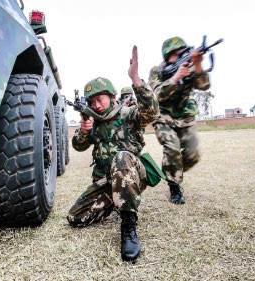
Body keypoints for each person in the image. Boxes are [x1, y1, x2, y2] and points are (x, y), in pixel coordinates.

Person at [67, 46, 159, 262]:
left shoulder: (128, 114)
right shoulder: (94, 122)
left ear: (112, 96)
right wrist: (84, 131)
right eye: (92, 102)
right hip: (107, 181)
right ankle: (117, 201)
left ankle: (128, 224)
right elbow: (78, 146)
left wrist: (135, 79)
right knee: (75, 217)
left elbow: (152, 112)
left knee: (122, 157)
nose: (97, 106)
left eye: (100, 99)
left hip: (132, 174)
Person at [148, 36, 210, 204]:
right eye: (175, 54)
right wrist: (175, 78)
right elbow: (155, 96)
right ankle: (174, 186)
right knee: (172, 149)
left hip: (185, 115)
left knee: (193, 156)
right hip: (163, 117)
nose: (180, 55)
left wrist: (197, 65)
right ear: (167, 57)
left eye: (182, 52)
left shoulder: (189, 67)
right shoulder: (156, 71)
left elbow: (204, 85)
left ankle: (170, 169)